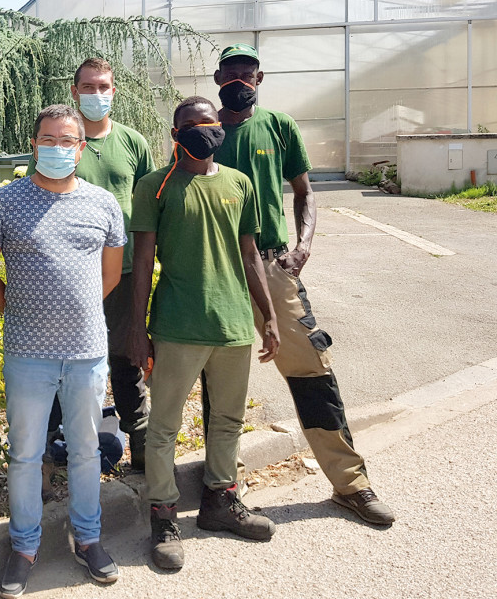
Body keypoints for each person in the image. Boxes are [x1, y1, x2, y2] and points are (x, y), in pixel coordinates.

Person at [211, 42, 396, 525]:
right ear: (217, 78)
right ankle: (219, 490)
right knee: (217, 377)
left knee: (312, 371)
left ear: (259, 79)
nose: (238, 81)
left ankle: (350, 484)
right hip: (218, 269)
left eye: (247, 73)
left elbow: (305, 192)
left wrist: (303, 246)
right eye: (230, 72)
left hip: (272, 266)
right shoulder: (203, 129)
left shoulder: (278, 126)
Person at [0, 104, 126, 598]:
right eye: (48, 139)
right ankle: (23, 547)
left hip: (86, 352)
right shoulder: (5, 201)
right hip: (27, 353)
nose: (57, 148)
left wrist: (73, 312)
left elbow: (108, 277)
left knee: (86, 450)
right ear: (34, 143)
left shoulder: (104, 204)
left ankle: (88, 539)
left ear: (80, 148)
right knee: (25, 454)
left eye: (68, 141)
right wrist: (17, 309)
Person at [129, 95, 280, 570]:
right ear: (176, 135)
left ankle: (220, 502)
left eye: (207, 122)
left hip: (233, 325)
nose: (201, 130)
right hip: (177, 325)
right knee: (164, 427)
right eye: (189, 125)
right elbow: (142, 263)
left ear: (219, 126)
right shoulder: (156, 187)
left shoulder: (239, 183)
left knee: (228, 421)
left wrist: (268, 315)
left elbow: (252, 254)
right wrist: (137, 329)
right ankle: (163, 514)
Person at [27, 57, 155, 469]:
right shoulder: (57, 144)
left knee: (126, 358)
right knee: (62, 361)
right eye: (88, 87)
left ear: (113, 91)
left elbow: (149, 208)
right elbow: (37, 196)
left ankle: (142, 447)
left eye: (104, 87)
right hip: (70, 276)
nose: (96, 94)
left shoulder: (133, 143)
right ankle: (49, 451)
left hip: (126, 272)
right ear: (74, 91)